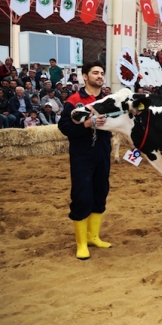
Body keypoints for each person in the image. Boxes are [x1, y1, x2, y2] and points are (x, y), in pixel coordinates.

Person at [58, 61, 112, 260]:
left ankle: (93, 237)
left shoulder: (108, 99)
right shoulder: (74, 100)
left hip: (103, 153)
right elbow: (64, 127)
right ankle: (81, 244)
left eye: (102, 73)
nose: (100, 76)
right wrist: (86, 125)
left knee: (100, 193)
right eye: (95, 73)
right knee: (82, 196)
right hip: (82, 155)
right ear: (85, 76)